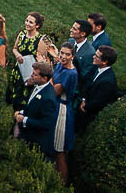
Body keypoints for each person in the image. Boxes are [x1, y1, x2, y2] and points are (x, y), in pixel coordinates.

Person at [13, 59, 58, 161]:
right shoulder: (37, 87)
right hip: (28, 138)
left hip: (38, 144)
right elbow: (34, 108)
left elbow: (45, 123)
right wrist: (21, 112)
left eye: (35, 74)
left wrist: (24, 119)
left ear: (44, 78)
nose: (32, 75)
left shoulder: (48, 98)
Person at [50, 42, 79, 183]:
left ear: (73, 56)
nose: (63, 56)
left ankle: (62, 184)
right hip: (54, 107)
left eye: (67, 54)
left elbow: (55, 91)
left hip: (62, 111)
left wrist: (46, 75)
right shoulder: (60, 65)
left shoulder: (71, 73)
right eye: (62, 53)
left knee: (59, 151)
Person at [7, 12, 46, 107]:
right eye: (27, 21)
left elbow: (42, 61)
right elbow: (14, 48)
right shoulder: (22, 34)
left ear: (37, 25)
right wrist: (17, 55)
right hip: (18, 69)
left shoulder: (41, 40)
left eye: (31, 22)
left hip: (30, 73)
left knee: (23, 99)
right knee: (12, 95)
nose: (27, 24)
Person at [77, 46, 118, 132]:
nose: (93, 57)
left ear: (105, 62)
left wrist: (85, 106)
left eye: (97, 56)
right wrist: (84, 99)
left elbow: (99, 102)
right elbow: (88, 84)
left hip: (90, 117)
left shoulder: (107, 81)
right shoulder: (98, 69)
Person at [70, 20, 96, 87]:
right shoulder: (71, 41)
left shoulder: (90, 53)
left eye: (74, 29)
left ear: (83, 34)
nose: (71, 30)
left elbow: (83, 77)